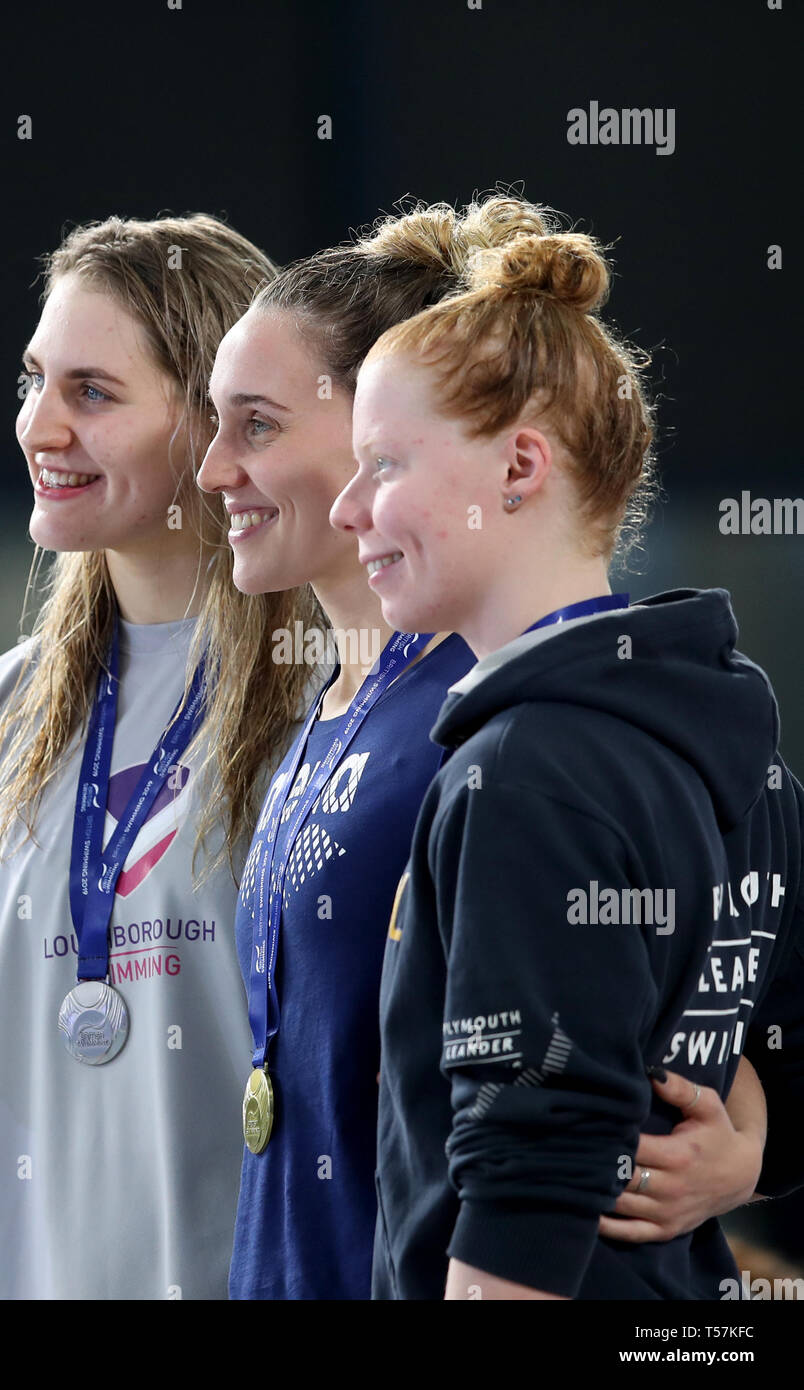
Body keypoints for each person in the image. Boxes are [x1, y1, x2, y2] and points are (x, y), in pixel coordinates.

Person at [197, 196, 773, 1300]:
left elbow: (562, 1116)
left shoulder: (511, 739)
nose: (213, 466)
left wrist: (744, 1136)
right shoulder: (333, 711)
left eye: (257, 424)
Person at [0, 213, 319, 1299]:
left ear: (212, 428)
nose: (39, 424)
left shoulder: (329, 690)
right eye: (33, 381)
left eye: (91, 392)